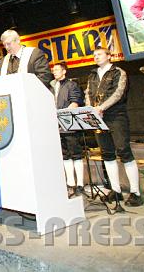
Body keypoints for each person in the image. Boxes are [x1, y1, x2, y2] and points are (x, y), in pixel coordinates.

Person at [85, 48, 143, 207]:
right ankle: (115, 191)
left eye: (99, 54)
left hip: (116, 116)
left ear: (109, 56)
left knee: (124, 151)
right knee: (107, 153)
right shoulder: (92, 75)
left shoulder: (118, 72)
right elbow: (88, 93)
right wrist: (92, 110)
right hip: (99, 117)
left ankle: (135, 192)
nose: (96, 57)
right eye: (94, 55)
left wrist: (101, 107)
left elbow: (118, 93)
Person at [50, 62, 85, 198]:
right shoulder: (52, 87)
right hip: (57, 127)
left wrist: (61, 115)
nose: (54, 72)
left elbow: (75, 102)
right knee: (65, 155)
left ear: (64, 71)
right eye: (53, 70)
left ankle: (80, 184)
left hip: (70, 126)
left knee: (76, 154)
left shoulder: (72, 85)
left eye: (57, 69)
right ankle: (70, 184)